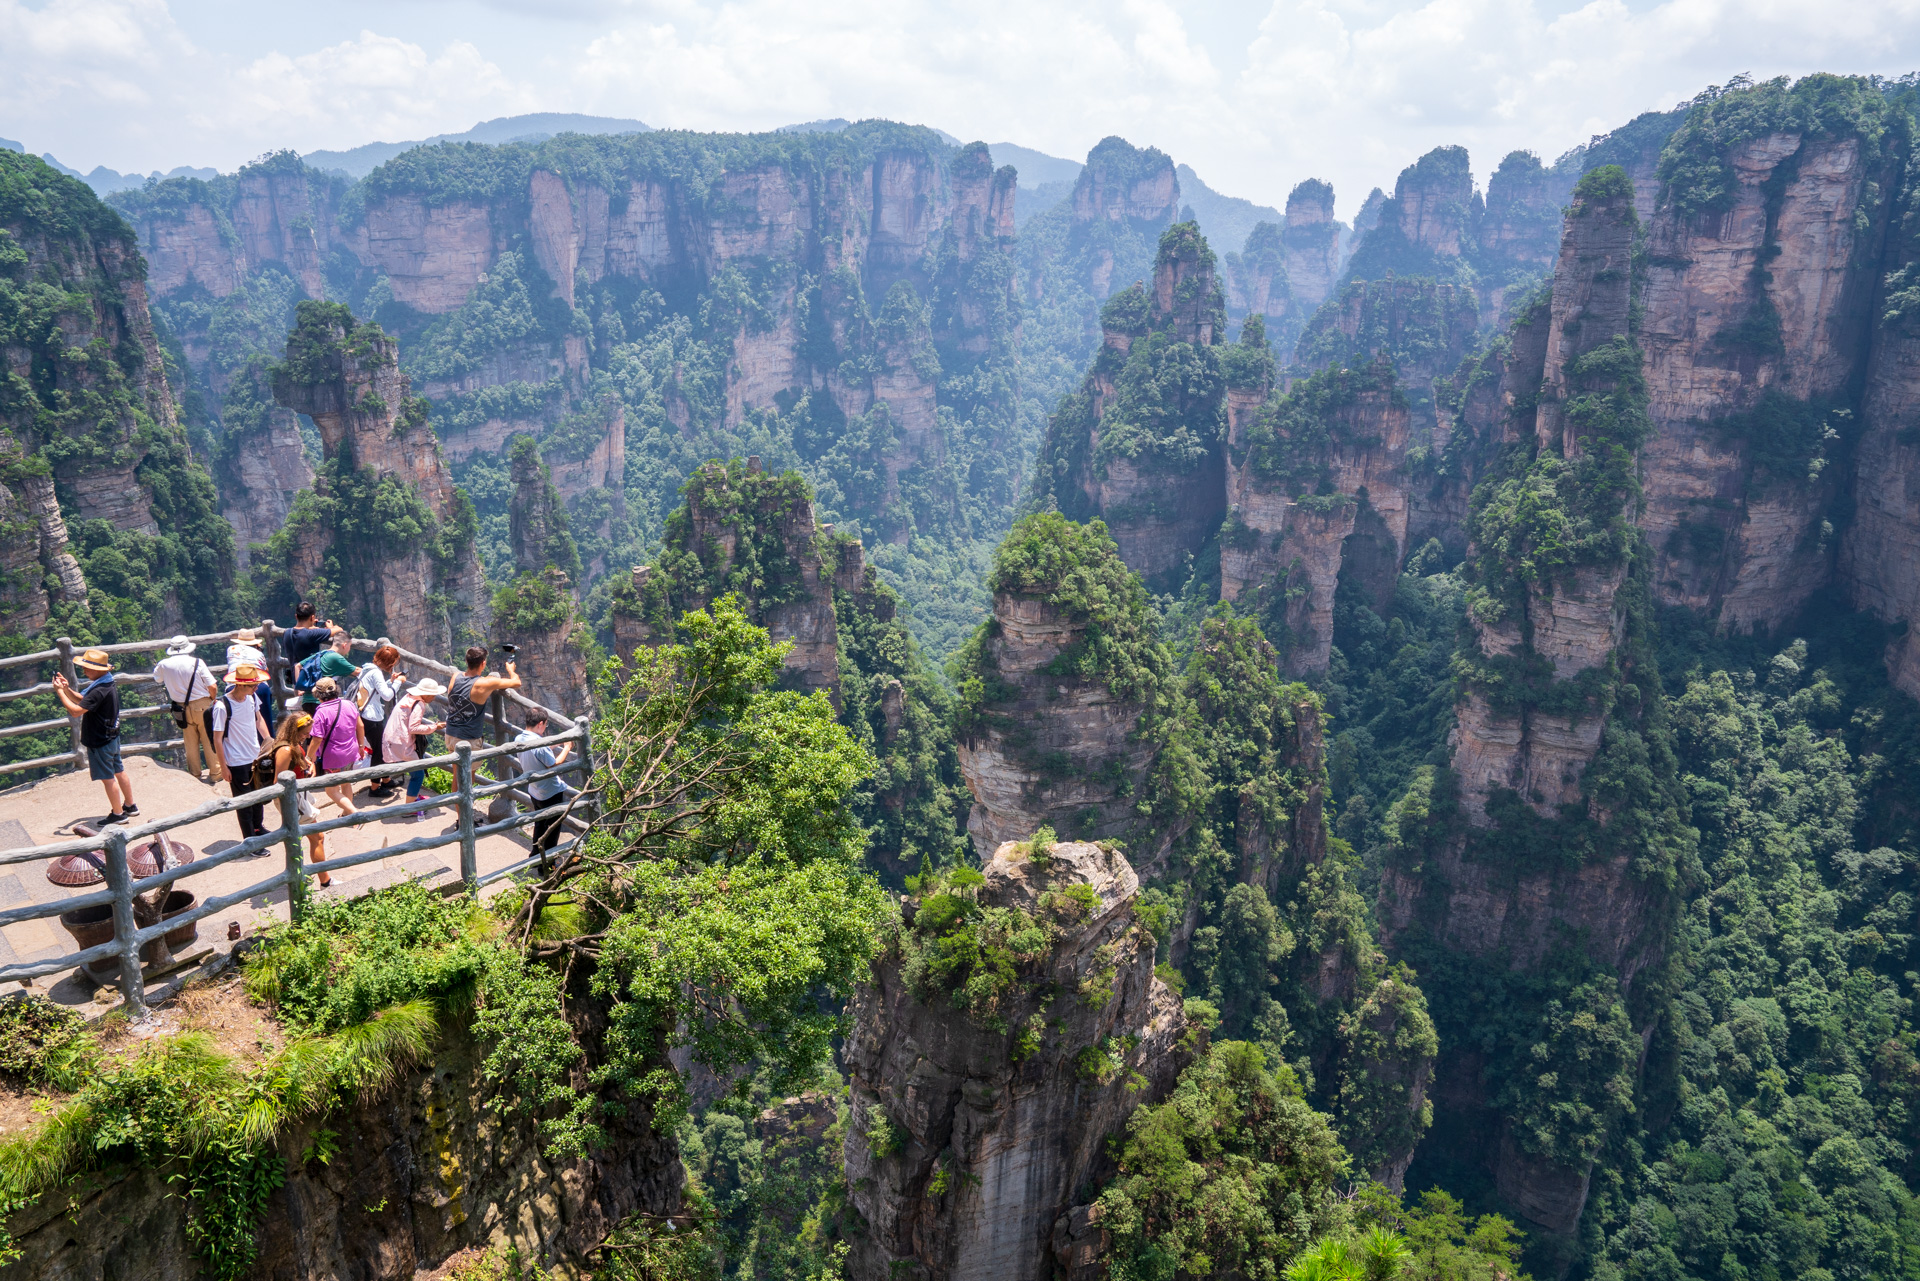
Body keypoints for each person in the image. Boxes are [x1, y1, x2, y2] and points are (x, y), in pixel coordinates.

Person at [52, 648, 137, 824]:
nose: (83, 671)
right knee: (119, 770)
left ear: (98, 669)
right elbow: (82, 700)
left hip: (100, 740)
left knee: (108, 778)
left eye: (86, 668)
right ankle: (130, 805)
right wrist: (67, 689)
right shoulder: (106, 682)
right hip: (111, 736)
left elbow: (76, 711)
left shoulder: (99, 689)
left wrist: (59, 692)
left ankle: (118, 814)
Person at [268, 714, 331, 888]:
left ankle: (297, 876)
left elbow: (302, 762)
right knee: (317, 837)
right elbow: (278, 782)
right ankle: (325, 881)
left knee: (297, 838)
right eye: (304, 733)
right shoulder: (285, 750)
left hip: (298, 795)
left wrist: (310, 764)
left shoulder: (293, 745)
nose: (307, 736)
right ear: (294, 731)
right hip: (291, 799)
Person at [210, 664, 271, 842]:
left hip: (255, 756)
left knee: (258, 796)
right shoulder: (222, 706)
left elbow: (259, 719)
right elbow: (217, 738)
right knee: (244, 803)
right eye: (253, 685)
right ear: (241, 685)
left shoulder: (252, 699)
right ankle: (250, 840)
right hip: (236, 761)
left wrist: (268, 742)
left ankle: (258, 828)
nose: (257, 688)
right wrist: (223, 767)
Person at [152, 636, 217, 783]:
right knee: (208, 738)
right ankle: (215, 773)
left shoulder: (164, 664)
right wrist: (213, 699)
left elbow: (157, 679)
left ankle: (195, 775)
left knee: (190, 742)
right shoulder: (197, 663)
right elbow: (212, 685)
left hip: (180, 708)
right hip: (202, 705)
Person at [514, 712, 577, 855]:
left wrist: (559, 741)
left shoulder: (519, 738)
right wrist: (566, 747)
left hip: (534, 791)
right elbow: (554, 764)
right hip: (550, 791)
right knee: (552, 828)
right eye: (545, 724)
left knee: (540, 824)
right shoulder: (539, 745)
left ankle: (535, 855)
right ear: (540, 723)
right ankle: (547, 864)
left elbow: (540, 752)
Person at [383, 678, 445, 821]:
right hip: (402, 742)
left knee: (416, 767)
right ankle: (409, 808)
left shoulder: (409, 697)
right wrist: (435, 727)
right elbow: (414, 727)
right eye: (433, 694)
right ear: (426, 694)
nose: (434, 697)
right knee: (418, 774)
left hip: (392, 737)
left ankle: (414, 796)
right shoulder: (420, 704)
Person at [446, 645, 521, 763]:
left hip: (451, 734)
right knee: (467, 778)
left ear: (466, 661)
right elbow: (516, 682)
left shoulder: (456, 676)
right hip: (468, 739)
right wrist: (511, 670)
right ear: (483, 663)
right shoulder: (485, 683)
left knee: (458, 775)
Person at [307, 677, 368, 816]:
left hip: (334, 757)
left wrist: (308, 758)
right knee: (346, 783)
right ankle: (346, 815)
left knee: (331, 790)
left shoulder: (321, 712)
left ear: (318, 695)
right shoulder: (348, 704)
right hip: (351, 751)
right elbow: (360, 725)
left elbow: (316, 739)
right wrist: (361, 746)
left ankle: (354, 814)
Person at [356, 645, 407, 800]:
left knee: (381, 748)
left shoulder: (367, 669)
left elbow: (376, 689)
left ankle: (386, 779)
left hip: (366, 714)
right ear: (389, 663)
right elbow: (386, 696)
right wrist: (398, 682)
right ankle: (375, 787)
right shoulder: (376, 673)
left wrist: (390, 681)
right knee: (379, 752)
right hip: (371, 717)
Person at [228, 628, 275, 732]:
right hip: (259, 686)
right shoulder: (259, 654)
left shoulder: (231, 649)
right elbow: (264, 670)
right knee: (265, 721)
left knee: (238, 724)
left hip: (234, 686)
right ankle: (269, 745)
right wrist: (258, 650)